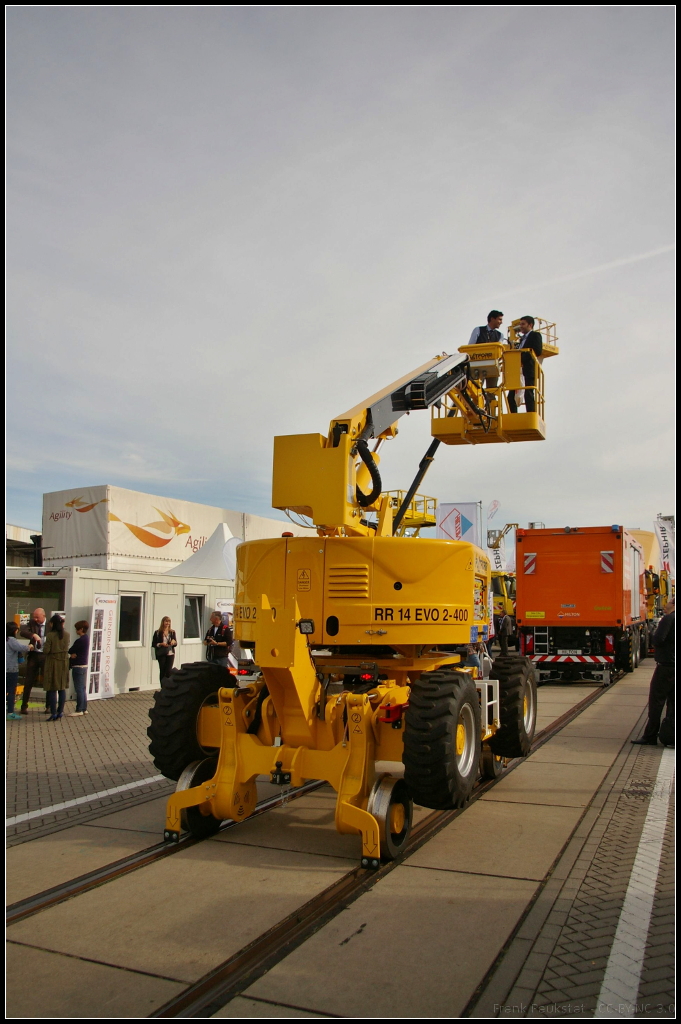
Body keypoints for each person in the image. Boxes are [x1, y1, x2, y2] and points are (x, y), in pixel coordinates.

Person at [631, 599, 675, 747]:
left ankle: (650, 735)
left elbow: (658, 639)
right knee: (673, 703)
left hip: (666, 666)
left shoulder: (668, 619)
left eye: (669, 602)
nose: (666, 603)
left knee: (656, 702)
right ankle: (670, 734)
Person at [508, 315, 543, 413]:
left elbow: (537, 350)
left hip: (529, 368)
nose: (521, 326)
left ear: (530, 325)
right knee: (511, 395)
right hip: (518, 369)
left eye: (523, 324)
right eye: (520, 324)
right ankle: (513, 415)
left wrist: (522, 358)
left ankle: (531, 413)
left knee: (529, 392)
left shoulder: (535, 335)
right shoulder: (521, 339)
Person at [19, 607, 49, 714]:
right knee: (29, 680)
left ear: (43, 616)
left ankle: (48, 706)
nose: (35, 619)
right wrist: (33, 635)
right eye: (34, 617)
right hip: (34, 655)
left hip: (45, 655)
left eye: (37, 617)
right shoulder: (31, 623)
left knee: (47, 681)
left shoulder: (50, 625)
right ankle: (24, 706)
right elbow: (22, 632)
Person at [468, 310, 506, 390]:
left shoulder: (500, 335)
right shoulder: (478, 330)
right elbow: (470, 347)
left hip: (493, 365)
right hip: (477, 365)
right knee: (474, 388)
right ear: (492, 319)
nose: (501, 322)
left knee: (492, 390)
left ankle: (491, 402)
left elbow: (499, 351)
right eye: (499, 319)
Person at [43, 614, 70, 721]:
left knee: (52, 688)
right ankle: (60, 711)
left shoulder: (50, 635)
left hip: (53, 662)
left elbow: (46, 650)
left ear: (53, 623)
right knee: (62, 688)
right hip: (63, 662)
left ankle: (53, 712)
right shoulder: (67, 635)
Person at [7, 622, 32, 720]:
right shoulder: (11, 640)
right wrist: (30, 646)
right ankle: (10, 712)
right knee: (11, 691)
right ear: (14, 630)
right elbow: (22, 648)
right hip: (11, 669)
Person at [68, 620, 90, 716]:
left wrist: (72, 654)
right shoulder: (87, 638)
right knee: (82, 688)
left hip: (78, 665)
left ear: (81, 629)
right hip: (84, 665)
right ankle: (84, 708)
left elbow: (71, 650)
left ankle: (79, 709)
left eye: (77, 629)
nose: (76, 631)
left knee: (79, 688)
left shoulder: (80, 640)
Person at [152, 616, 177, 682]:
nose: (167, 623)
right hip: (162, 653)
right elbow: (153, 644)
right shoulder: (157, 632)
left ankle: (168, 686)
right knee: (162, 670)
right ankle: (163, 687)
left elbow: (175, 643)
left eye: (169, 622)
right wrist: (160, 644)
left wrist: (173, 642)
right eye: (166, 621)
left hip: (170, 653)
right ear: (163, 622)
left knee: (169, 671)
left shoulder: (172, 632)